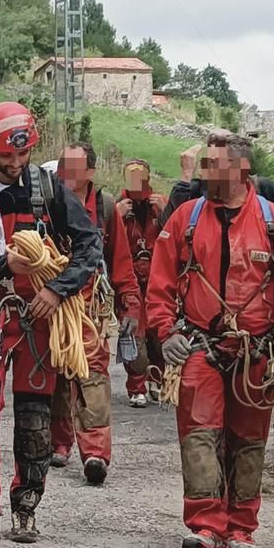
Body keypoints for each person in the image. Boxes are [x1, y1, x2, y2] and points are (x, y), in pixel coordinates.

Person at [147, 130, 274, 548]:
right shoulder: (186, 218)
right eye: (205, 165)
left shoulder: (273, 221)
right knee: (199, 436)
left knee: (248, 440)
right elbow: (160, 281)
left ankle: (242, 525)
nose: (206, 173)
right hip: (199, 345)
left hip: (256, 352)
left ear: (241, 170)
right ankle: (208, 527)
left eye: (215, 165)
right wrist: (166, 331)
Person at [0, 102, 102, 548]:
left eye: (23, 154)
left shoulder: (50, 190)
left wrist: (58, 290)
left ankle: (25, 507)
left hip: (37, 317)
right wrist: (1, 265)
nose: (15, 164)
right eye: (6, 156)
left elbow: (89, 245)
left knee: (34, 421)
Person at [48, 143, 142, 485]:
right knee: (56, 376)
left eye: (75, 167)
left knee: (93, 377)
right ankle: (59, 443)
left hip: (90, 310)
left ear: (90, 171)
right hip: (52, 304)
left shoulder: (105, 209)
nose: (67, 173)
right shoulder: (45, 204)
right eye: (63, 166)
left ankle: (96, 454)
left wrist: (130, 304)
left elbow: (121, 262)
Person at [161, 135, 274, 235]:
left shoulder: (264, 188)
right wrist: (186, 175)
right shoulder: (199, 191)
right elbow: (168, 228)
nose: (203, 172)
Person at [116, 158, 169, 408]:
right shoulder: (116, 208)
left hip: (158, 279)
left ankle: (157, 380)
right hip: (129, 279)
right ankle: (136, 387)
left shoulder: (161, 205)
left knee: (159, 333)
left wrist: (166, 214)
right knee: (133, 333)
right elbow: (102, 240)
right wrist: (117, 218)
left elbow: (178, 239)